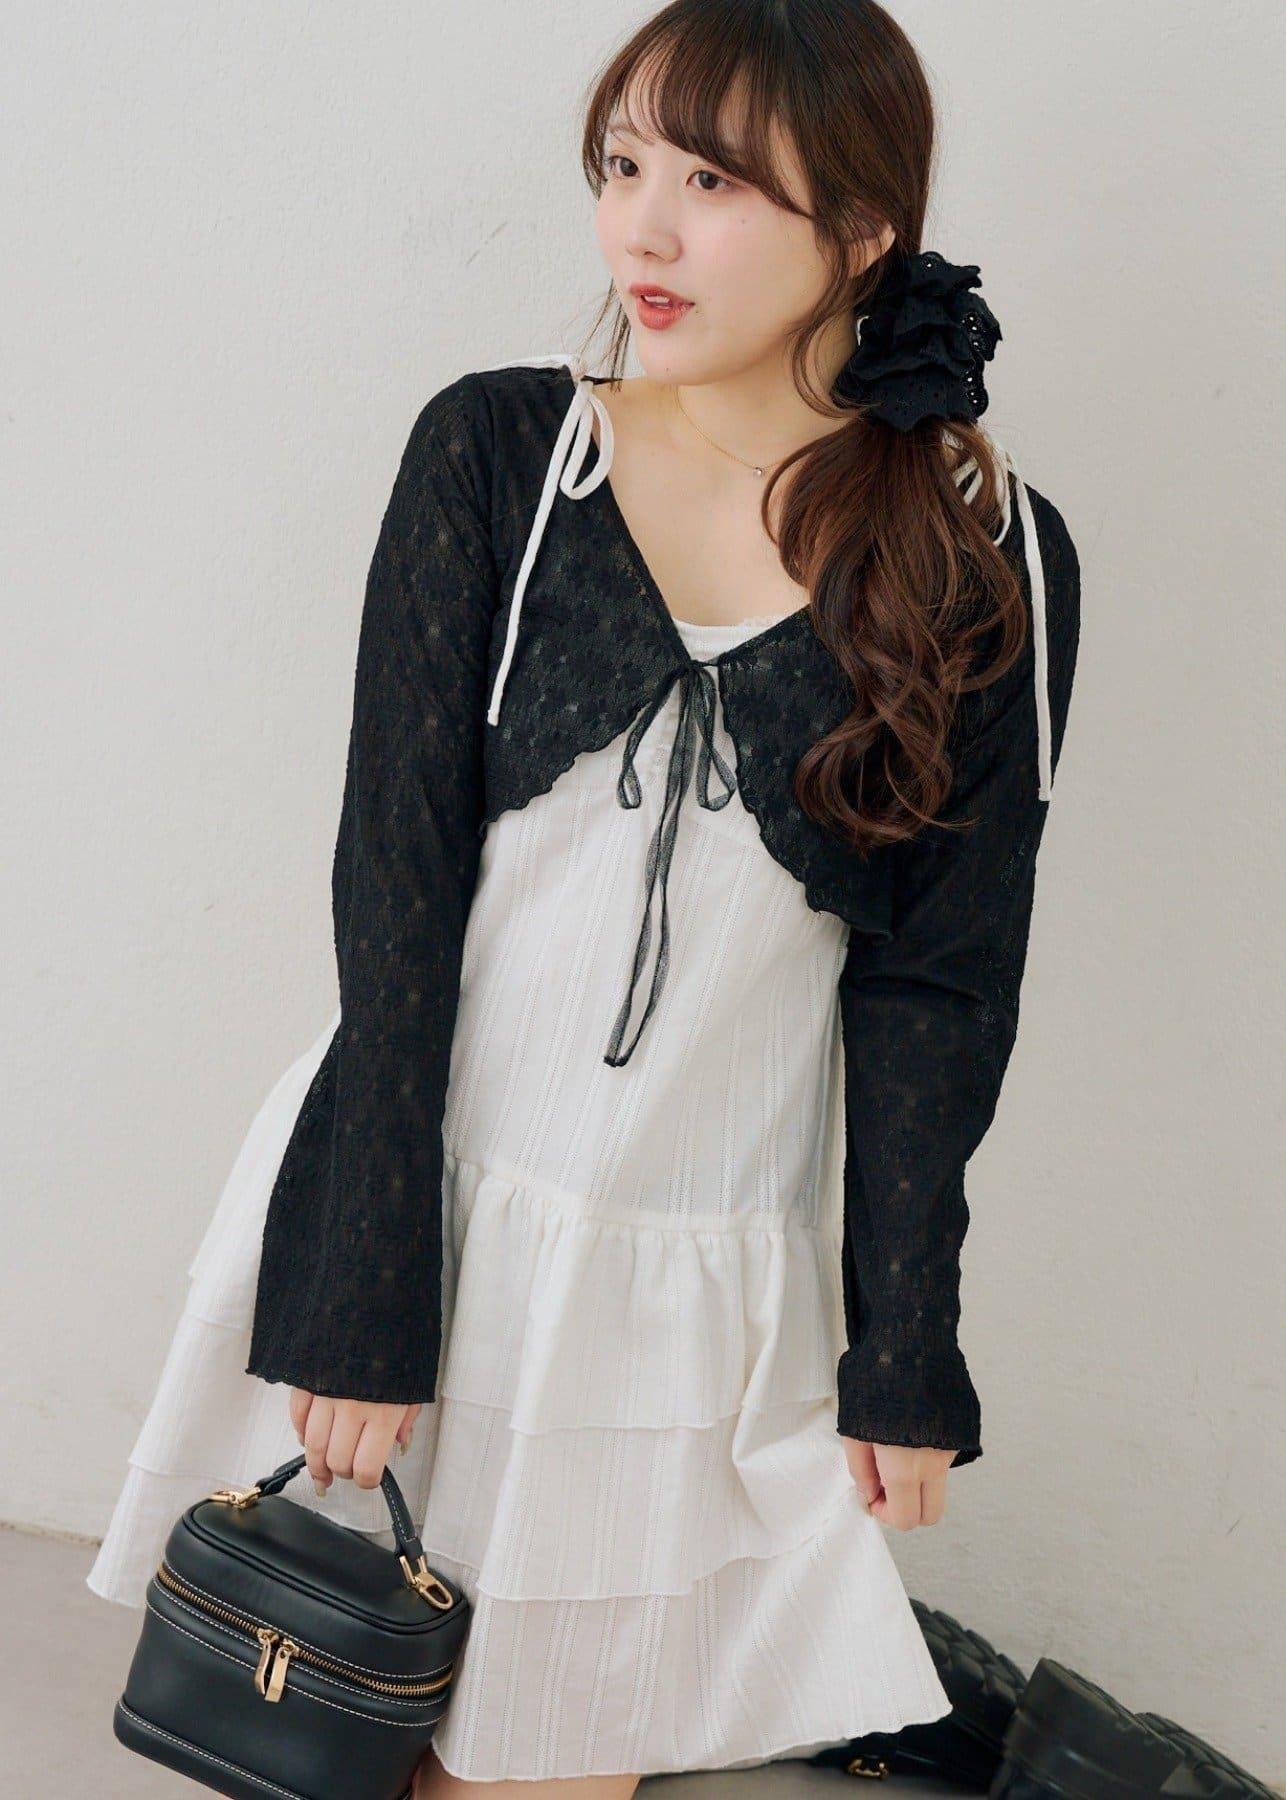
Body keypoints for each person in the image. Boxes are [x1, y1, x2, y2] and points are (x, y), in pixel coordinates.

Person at [86, 0, 1083, 1791]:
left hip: (686, 1297)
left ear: (865, 227)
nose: (643, 230)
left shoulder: (983, 555)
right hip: (425, 1201)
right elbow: (391, 882)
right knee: (318, 1739)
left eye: (713, 183)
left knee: (542, 1775)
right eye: (623, 168)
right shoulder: (502, 455)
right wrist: (367, 1287)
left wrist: (904, 1343)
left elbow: (944, 982)